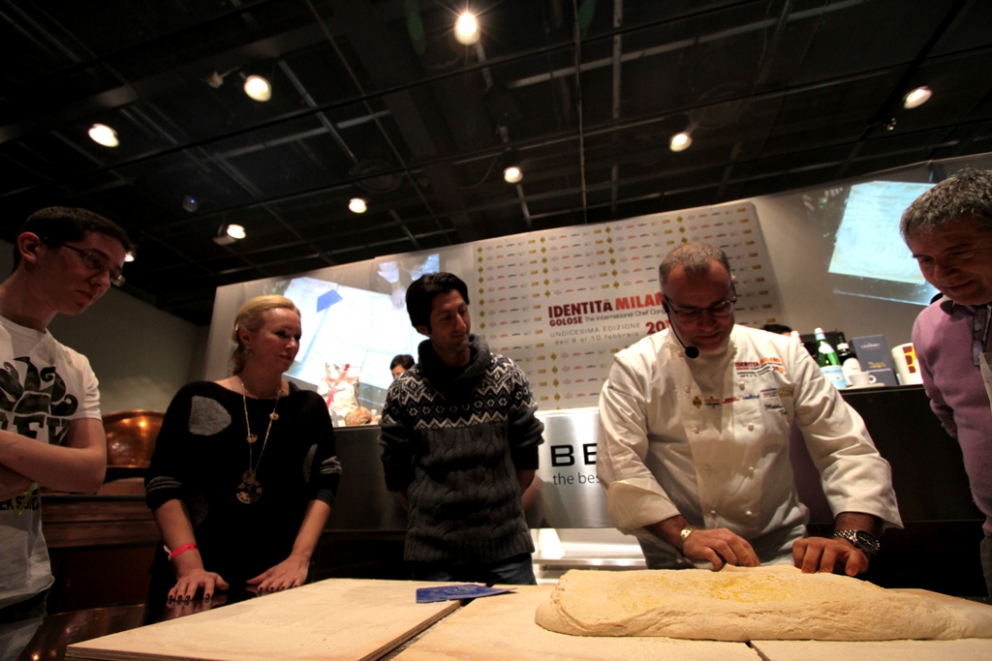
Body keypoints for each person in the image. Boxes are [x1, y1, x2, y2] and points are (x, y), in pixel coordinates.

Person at [597, 242, 902, 576]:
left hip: (783, 551)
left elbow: (846, 449)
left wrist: (850, 538)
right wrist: (684, 535)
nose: (708, 323)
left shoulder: (783, 354)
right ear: (664, 304)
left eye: (720, 307)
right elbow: (620, 465)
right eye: (688, 312)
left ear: (733, 290)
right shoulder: (636, 366)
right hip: (682, 558)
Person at [144, 296, 341, 603]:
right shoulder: (197, 397)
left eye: (297, 337)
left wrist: (299, 559)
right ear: (246, 336)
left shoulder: (309, 407)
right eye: (282, 334)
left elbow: (324, 485)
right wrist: (190, 566)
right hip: (197, 574)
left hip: (278, 575)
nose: (292, 345)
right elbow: (164, 483)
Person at [0, 208, 131, 629]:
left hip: (23, 589)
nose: (102, 282)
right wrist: (47, 464)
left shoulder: (75, 366)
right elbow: (68, 468)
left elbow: (91, 472)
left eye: (112, 273)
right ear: (32, 247)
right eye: (93, 261)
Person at [379, 272, 544, 585]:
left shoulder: (506, 376)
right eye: (446, 317)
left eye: (463, 311)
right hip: (433, 558)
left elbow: (527, 458)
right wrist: (435, 518)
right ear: (423, 328)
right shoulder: (403, 391)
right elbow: (396, 474)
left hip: (506, 551)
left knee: (513, 633)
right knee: (437, 636)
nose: (460, 324)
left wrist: (498, 508)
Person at [901, 169, 992, 596]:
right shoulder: (931, 326)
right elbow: (950, 417)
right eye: (925, 260)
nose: (944, 271)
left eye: (960, 251)